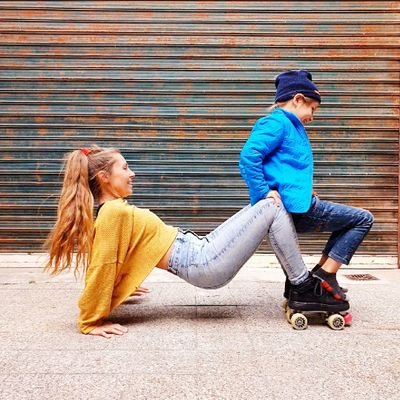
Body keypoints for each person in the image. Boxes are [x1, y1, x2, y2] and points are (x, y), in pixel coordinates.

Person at [45, 146, 349, 338]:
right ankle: (303, 285)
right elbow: (103, 263)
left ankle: (302, 285)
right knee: (271, 205)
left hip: (200, 248)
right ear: (104, 178)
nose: (132, 173)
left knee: (267, 202)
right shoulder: (112, 213)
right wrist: (90, 320)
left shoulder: (114, 212)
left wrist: (124, 282)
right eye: (125, 168)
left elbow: (120, 253)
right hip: (201, 263)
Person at [239, 69, 374, 302]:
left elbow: (284, 166)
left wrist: (301, 187)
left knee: (348, 222)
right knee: (363, 219)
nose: (312, 114)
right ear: (298, 99)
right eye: (312, 108)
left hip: (298, 201)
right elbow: (249, 157)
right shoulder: (276, 123)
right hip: (297, 209)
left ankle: (318, 277)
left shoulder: (290, 125)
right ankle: (325, 275)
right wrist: (263, 192)